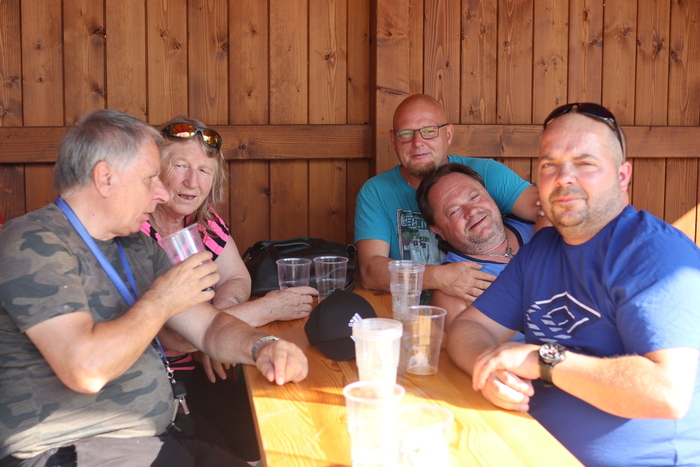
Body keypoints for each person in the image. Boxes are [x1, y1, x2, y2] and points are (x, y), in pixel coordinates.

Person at [0, 109, 308, 467]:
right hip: (70, 450)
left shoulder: (137, 246)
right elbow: (86, 369)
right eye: (150, 179)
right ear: (105, 178)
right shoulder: (33, 243)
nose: (161, 193)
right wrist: (162, 300)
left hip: (153, 435)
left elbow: (208, 326)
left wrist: (262, 346)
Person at [446, 103, 700, 466]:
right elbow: (469, 327)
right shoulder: (541, 251)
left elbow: (667, 392)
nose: (564, 177)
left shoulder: (656, 253)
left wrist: (543, 360)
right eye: (549, 165)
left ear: (622, 176)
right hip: (526, 447)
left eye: (585, 163)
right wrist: (489, 370)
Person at [142, 116, 316, 462]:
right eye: (180, 166)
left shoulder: (203, 221)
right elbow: (172, 337)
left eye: (204, 171)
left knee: (265, 424)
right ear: (154, 170)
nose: (193, 181)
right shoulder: (136, 228)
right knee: (220, 447)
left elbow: (237, 277)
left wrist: (215, 331)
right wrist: (267, 308)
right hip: (151, 380)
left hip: (191, 368)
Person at [354, 93, 541, 305]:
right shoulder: (376, 192)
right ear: (393, 140)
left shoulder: (487, 172)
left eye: (429, 131)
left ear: (449, 134)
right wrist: (440, 277)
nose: (417, 143)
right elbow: (369, 271)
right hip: (411, 312)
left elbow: (550, 211)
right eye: (405, 134)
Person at [415, 163, 535, 327]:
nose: (471, 211)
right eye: (454, 211)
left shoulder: (539, 222)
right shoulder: (454, 292)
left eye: (474, 197)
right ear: (439, 231)